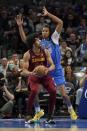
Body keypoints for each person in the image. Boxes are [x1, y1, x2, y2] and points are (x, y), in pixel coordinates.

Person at [15, 7, 77, 121]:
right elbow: (25, 40)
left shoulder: (54, 39)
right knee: (35, 91)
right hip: (44, 70)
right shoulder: (39, 43)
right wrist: (20, 26)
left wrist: (48, 14)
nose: (44, 32)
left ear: (50, 32)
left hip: (56, 68)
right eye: (43, 31)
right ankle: (38, 112)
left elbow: (61, 22)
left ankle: (70, 109)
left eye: (46, 30)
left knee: (63, 93)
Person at [21, 34, 56, 123]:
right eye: (38, 40)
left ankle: (50, 116)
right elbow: (23, 71)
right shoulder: (27, 54)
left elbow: (53, 65)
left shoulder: (45, 51)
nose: (40, 41)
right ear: (33, 43)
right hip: (34, 76)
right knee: (34, 91)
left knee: (53, 91)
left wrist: (48, 69)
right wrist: (31, 73)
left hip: (44, 74)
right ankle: (28, 115)